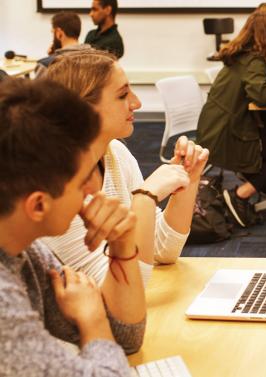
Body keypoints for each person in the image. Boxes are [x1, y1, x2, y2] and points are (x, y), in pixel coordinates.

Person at [0, 78, 145, 375]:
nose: (93, 192)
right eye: (82, 183)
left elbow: (125, 339)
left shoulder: (25, 250)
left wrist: (122, 244)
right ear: (38, 205)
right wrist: (93, 322)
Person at [42, 50, 210, 285]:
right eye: (123, 95)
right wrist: (146, 197)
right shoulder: (53, 186)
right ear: (84, 109)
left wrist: (188, 180)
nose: (137, 103)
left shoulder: (114, 153)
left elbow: (161, 249)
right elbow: (127, 284)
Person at [197, 12, 266, 228]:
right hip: (227, 133)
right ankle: (240, 195)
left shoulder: (245, 55)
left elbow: (258, 89)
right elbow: (262, 97)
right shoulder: (254, 59)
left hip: (223, 126)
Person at [35, 12, 90, 77]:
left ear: (59, 33)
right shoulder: (97, 58)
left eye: (53, 32)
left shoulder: (47, 65)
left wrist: (51, 58)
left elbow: (37, 87)